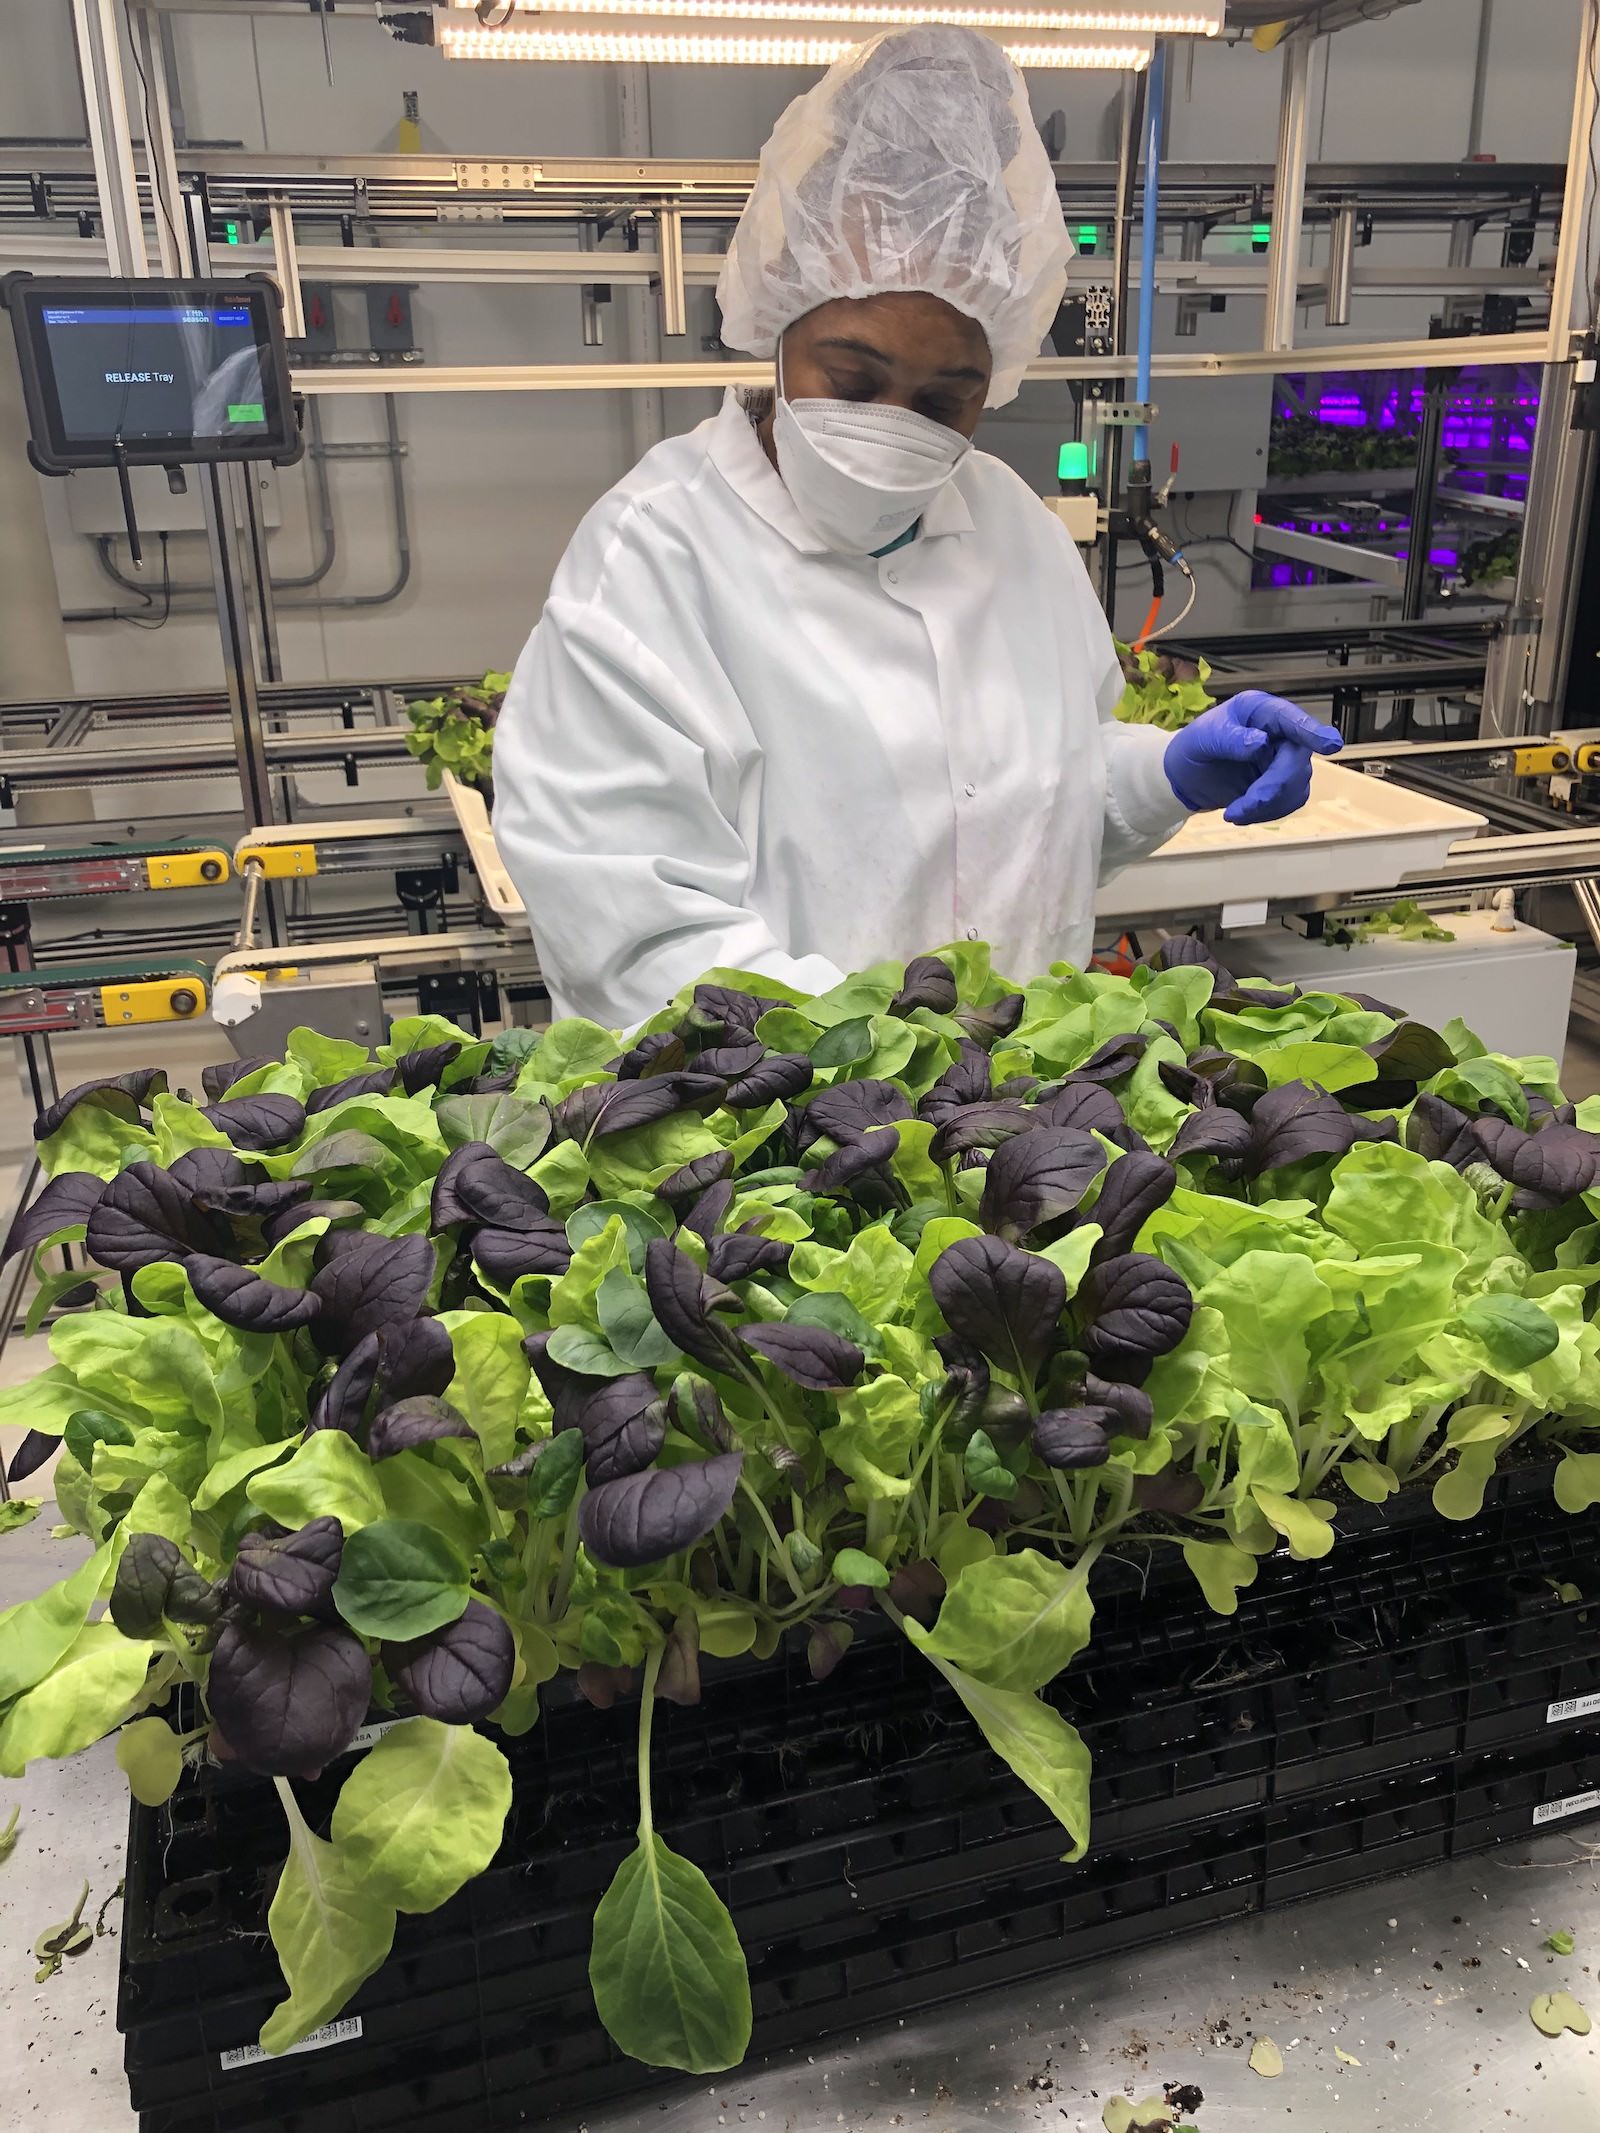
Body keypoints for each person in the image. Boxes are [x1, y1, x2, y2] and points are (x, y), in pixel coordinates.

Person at [492, 26, 1340, 1030]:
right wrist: (897, 1071)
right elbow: (634, 934)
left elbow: (1025, 816)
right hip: (763, 1140)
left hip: (1012, 1134)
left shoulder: (1012, 528)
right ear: (774, 328)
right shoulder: (656, 556)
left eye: (947, 398)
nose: (893, 425)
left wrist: (1158, 775)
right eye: (852, 380)